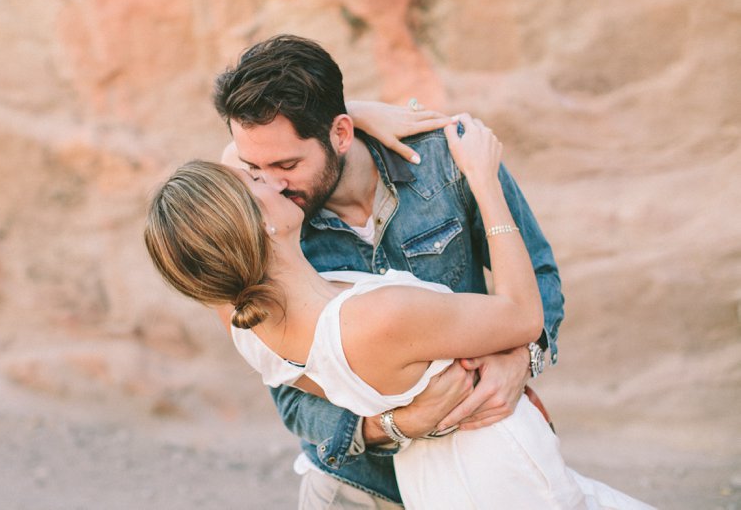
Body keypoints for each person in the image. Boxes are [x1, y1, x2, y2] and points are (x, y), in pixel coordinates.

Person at [142, 118, 654, 508]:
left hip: (432, 484)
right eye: (256, 183)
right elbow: (524, 315)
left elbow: (224, 180)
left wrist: (351, 117)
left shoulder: (241, 319)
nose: (271, 182)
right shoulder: (378, 316)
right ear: (257, 227)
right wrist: (484, 180)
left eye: (275, 168)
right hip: (493, 468)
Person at [211, 34, 564, 507]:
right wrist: (390, 425)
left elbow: (538, 275)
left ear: (340, 133)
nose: (270, 184)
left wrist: (523, 361)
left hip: (478, 475)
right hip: (355, 488)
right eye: (254, 167)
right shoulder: (262, 225)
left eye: (287, 164)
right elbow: (288, 390)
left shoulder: (451, 161)